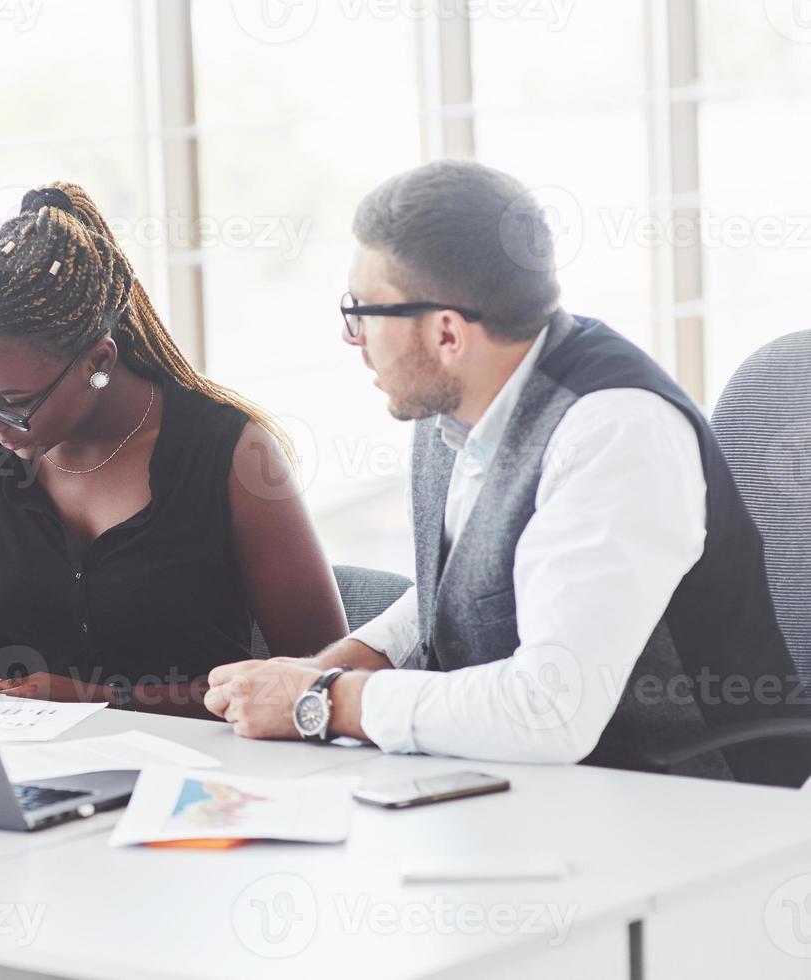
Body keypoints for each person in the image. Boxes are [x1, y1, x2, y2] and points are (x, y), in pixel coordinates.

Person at [206, 160, 811, 787]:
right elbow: (472, 572)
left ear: (446, 334)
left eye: (362, 310)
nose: (348, 335)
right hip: (538, 793)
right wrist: (336, 667)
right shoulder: (454, 393)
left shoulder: (617, 432)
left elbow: (550, 710)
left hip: (698, 801)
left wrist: (328, 704)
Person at [0, 183, 349, 717]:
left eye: (13, 401)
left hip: (209, 775)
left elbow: (319, 678)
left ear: (98, 361)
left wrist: (104, 701)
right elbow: (24, 666)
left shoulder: (229, 453)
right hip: (53, 774)